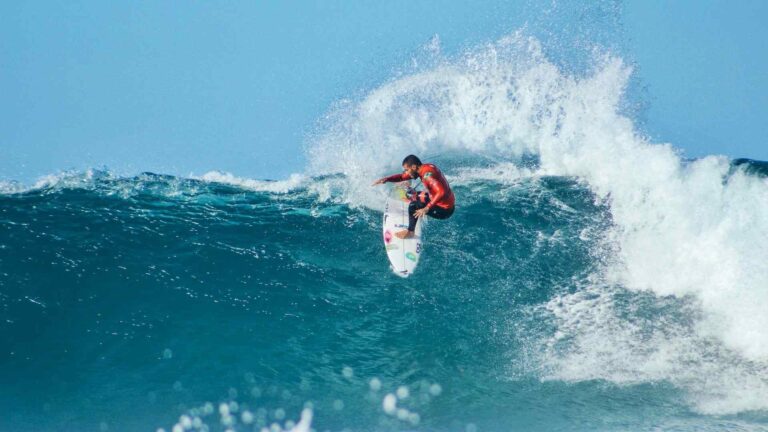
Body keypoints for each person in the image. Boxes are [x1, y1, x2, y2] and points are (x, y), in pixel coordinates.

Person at [372, 155, 455, 239]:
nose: (406, 173)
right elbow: (402, 177)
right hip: (445, 201)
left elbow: (441, 192)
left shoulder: (427, 176)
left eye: (407, 170)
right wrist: (386, 179)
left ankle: (410, 232)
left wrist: (427, 208)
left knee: (413, 206)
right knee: (414, 195)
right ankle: (422, 209)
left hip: (444, 210)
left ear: (414, 167)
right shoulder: (425, 168)